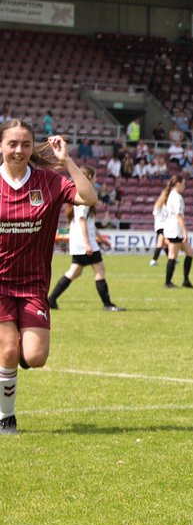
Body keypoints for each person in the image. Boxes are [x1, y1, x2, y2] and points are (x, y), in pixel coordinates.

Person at [0, 121, 97, 434]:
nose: (19, 150)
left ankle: (13, 349)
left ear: (32, 147)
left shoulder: (49, 181)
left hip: (32, 285)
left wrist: (66, 160)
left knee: (36, 357)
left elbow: (89, 197)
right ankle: (6, 418)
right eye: (12, 144)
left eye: (25, 144)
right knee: (9, 351)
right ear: (1, 147)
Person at [47, 166, 124, 312]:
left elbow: (89, 224)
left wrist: (101, 238)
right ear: (88, 177)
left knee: (75, 271)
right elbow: (82, 220)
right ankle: (107, 304)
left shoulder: (79, 194)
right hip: (84, 242)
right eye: (94, 177)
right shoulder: (84, 196)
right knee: (100, 269)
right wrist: (88, 243)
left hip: (79, 242)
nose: (95, 181)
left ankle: (51, 299)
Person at [158, 176, 193, 288]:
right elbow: (179, 216)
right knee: (172, 256)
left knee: (190, 253)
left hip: (173, 229)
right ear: (178, 184)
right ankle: (168, 282)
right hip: (175, 230)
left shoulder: (171, 196)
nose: (184, 186)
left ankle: (186, 280)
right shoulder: (177, 197)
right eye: (183, 184)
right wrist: (185, 231)